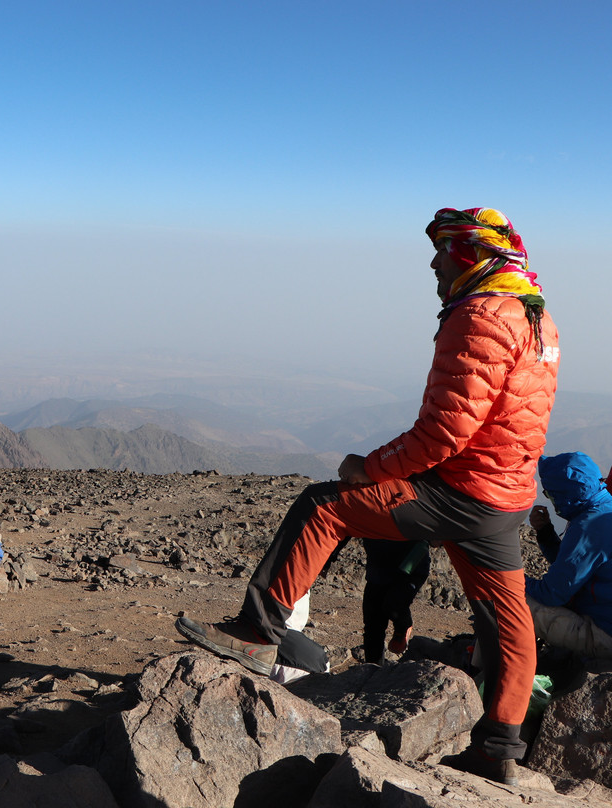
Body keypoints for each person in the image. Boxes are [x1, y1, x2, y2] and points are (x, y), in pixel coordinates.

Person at [175, 207, 559, 786]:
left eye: (443, 252)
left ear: (470, 257)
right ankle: (498, 749)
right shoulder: (539, 319)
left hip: (457, 490)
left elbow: (444, 432)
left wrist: (369, 467)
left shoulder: (479, 315)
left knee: (322, 506)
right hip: (505, 501)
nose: (433, 262)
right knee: (507, 626)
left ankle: (261, 632)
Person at [526, 452, 612, 658]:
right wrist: (546, 533)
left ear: (562, 494)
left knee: (503, 600)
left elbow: (551, 594)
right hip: (604, 619)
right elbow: (577, 569)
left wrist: (509, 578)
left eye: (549, 495)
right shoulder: (603, 507)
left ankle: (482, 673)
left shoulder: (589, 526)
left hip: (602, 634)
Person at [362, 538, 431, 663]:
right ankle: (372, 670)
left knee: (393, 606)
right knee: (372, 624)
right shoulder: (364, 518)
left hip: (410, 564)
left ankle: (402, 627)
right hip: (378, 568)